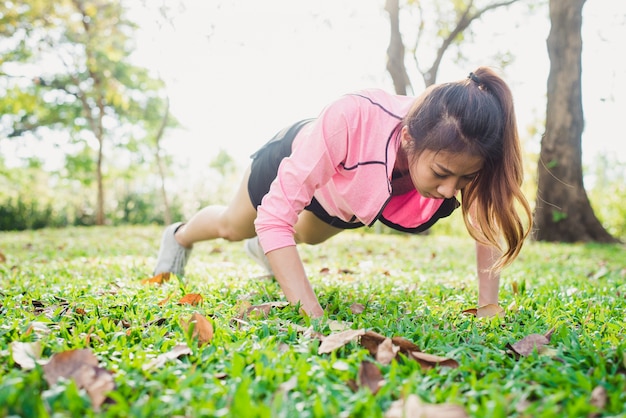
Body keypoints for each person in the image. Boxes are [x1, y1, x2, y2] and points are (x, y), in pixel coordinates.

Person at [153, 67, 532, 318]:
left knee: (308, 236)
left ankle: (266, 250)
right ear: (408, 137)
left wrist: (489, 305)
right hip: (294, 157)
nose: (450, 191)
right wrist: (314, 318)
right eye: (441, 174)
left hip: (341, 197)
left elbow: (485, 222)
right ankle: (179, 235)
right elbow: (274, 216)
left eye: (463, 181)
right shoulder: (351, 118)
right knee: (235, 227)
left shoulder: (467, 149)